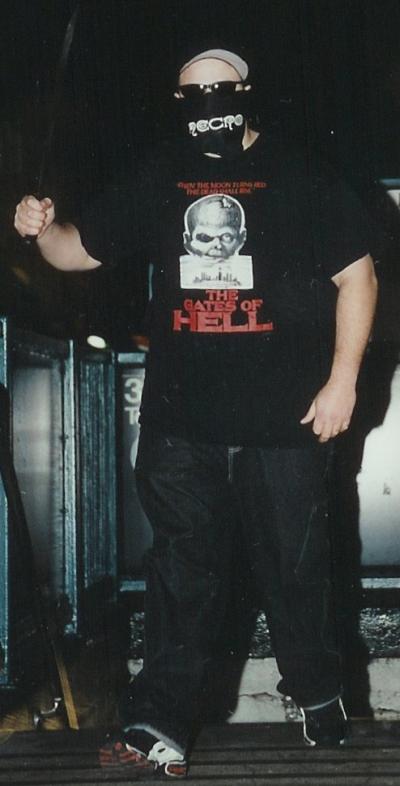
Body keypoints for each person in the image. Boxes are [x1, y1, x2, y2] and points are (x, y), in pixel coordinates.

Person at [15, 48, 378, 778]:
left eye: (220, 90)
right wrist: (42, 228)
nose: (207, 102)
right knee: (182, 571)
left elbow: (358, 277)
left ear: (247, 92)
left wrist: (342, 382)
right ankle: (159, 723)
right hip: (182, 420)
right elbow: (77, 253)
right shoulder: (159, 171)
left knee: (297, 569)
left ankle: (318, 693)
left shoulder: (302, 172)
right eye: (191, 93)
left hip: (286, 420)